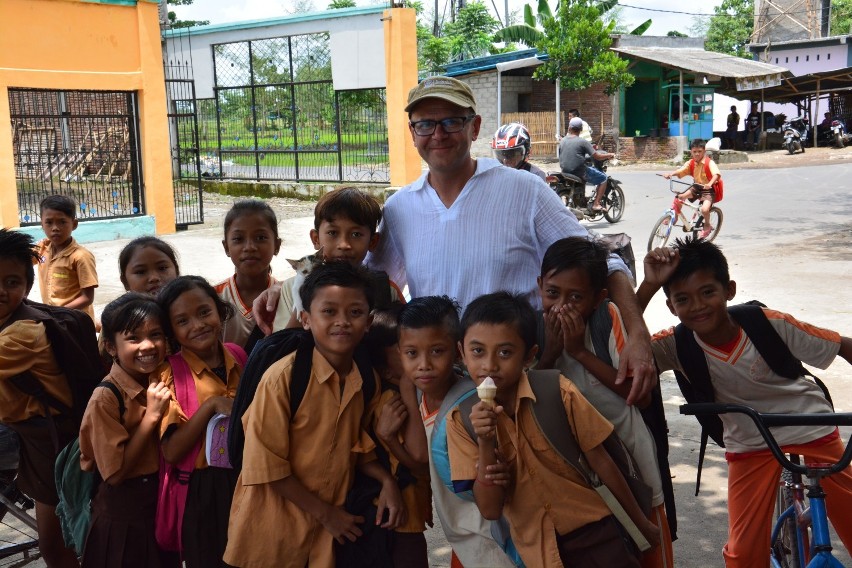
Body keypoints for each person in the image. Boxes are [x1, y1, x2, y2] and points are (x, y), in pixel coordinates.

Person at [363, 75, 656, 405]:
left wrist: (638, 335)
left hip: (522, 386)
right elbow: (371, 287)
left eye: (451, 121)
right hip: (442, 392)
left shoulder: (523, 191)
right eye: (426, 124)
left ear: (475, 127)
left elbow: (605, 260)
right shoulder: (400, 209)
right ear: (412, 133)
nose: (438, 134)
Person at [638, 237, 852, 568]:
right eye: (683, 299)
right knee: (743, 554)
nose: (697, 306)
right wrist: (648, 286)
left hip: (811, 427)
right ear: (671, 307)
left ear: (729, 290)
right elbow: (622, 346)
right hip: (750, 442)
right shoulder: (673, 345)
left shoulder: (770, 323)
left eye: (708, 292)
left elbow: (843, 346)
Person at [446, 292, 660, 567]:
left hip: (598, 533)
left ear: (529, 356)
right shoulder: (460, 422)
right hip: (540, 552)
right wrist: (486, 441)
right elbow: (489, 509)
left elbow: (602, 461)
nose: (489, 365)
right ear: (462, 353)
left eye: (505, 352)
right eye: (478, 351)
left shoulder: (558, 392)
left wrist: (640, 522)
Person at [224, 262, 405, 568]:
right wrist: (327, 514)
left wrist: (387, 480)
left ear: (369, 322)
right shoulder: (283, 379)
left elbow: (356, 447)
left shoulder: (364, 379)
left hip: (324, 541)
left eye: (355, 312)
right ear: (305, 319)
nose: (343, 322)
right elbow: (265, 466)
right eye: (329, 311)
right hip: (270, 536)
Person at [535, 237, 674, 568]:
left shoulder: (606, 318)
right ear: (539, 285)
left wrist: (579, 352)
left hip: (634, 469)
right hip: (580, 483)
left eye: (576, 297)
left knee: (649, 551)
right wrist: (552, 352)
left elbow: (635, 394)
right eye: (552, 293)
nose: (561, 306)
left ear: (597, 298)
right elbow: (528, 397)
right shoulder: (533, 331)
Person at [398, 296, 517, 568]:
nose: (424, 364)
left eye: (437, 351)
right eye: (412, 353)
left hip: (496, 542)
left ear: (457, 351)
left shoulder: (475, 406)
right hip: (464, 542)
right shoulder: (419, 398)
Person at [78, 293, 179, 568]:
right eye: (133, 338)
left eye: (156, 335)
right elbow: (115, 473)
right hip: (125, 514)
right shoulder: (106, 398)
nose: (147, 346)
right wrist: (151, 417)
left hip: (159, 504)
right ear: (111, 346)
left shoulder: (163, 379)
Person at [0, 228, 81, 568]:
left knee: (55, 546)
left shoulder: (23, 333)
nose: (1, 291)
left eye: (12, 282)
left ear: (28, 287)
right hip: (26, 431)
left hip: (49, 439)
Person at [155, 276, 244, 567]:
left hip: (246, 480)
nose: (197, 325)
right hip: (203, 492)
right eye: (182, 321)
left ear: (219, 311)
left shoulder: (238, 356)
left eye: (204, 312)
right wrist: (210, 407)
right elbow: (171, 451)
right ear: (172, 331)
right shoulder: (170, 374)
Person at [266, 187, 404, 332]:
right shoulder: (291, 289)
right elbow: (281, 347)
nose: (344, 244)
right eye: (332, 232)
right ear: (316, 239)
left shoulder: (385, 290)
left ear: (373, 241)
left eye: (356, 234)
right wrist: (302, 303)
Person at [367, 304, 431, 568]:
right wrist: (406, 389)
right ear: (386, 369)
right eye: (406, 351)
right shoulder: (393, 401)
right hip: (401, 514)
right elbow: (419, 456)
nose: (421, 361)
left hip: (407, 511)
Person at [215, 200, 282, 347]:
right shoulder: (214, 298)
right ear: (226, 247)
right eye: (238, 239)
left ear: (277, 245)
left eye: (260, 238)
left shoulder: (286, 297)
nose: (250, 247)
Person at [35, 195, 99, 322]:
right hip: (54, 318)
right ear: (42, 224)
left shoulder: (81, 256)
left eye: (62, 222)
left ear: (74, 224)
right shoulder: (42, 248)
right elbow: (19, 261)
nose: (55, 228)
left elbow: (87, 298)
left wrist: (58, 313)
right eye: (49, 222)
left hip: (75, 321)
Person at [662, 138, 721, 239]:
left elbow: (716, 174)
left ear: (704, 151)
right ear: (691, 152)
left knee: (704, 209)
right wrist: (671, 174)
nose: (697, 154)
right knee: (679, 197)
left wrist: (710, 184)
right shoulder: (691, 163)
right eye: (694, 152)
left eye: (700, 151)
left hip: (708, 190)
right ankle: (675, 217)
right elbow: (681, 170)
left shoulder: (709, 162)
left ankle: (707, 225)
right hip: (697, 187)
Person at [559, 116, 615, 213]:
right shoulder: (583, 142)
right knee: (603, 179)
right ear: (581, 129)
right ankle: (596, 204)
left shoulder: (562, 141)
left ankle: (580, 201)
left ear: (569, 128)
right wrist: (609, 155)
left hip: (564, 171)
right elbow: (597, 156)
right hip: (579, 172)